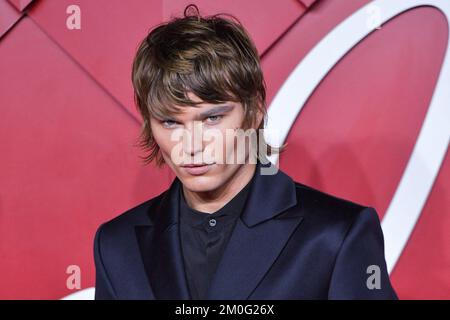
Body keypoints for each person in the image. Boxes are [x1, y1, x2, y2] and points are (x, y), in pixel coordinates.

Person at [93, 4, 397, 300]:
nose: (192, 145)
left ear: (253, 113)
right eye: (171, 122)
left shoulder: (336, 236)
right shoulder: (117, 246)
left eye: (212, 118)